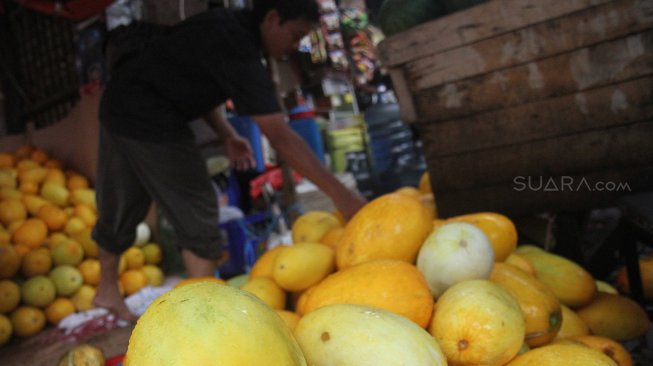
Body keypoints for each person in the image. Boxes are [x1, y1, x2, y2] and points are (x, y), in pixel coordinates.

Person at [92, 0, 367, 321]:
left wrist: (226, 135)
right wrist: (343, 196)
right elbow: (281, 138)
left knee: (121, 205)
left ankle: (107, 290)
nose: (294, 46)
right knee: (198, 212)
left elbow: (191, 80)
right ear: (272, 16)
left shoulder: (223, 27)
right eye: (295, 35)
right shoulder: (238, 47)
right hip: (150, 116)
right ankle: (201, 316)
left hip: (119, 104)